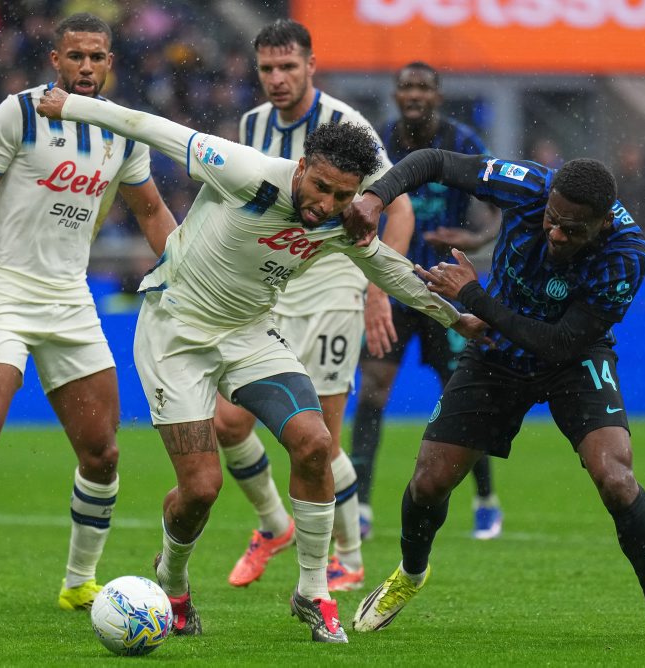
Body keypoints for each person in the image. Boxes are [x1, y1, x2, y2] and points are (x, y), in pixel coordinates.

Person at [35, 86, 487, 644]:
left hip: (250, 334)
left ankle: (314, 592)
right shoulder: (246, 171)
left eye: (342, 195)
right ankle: (172, 579)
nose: (326, 204)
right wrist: (71, 106)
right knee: (201, 489)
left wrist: (457, 319)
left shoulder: (343, 218)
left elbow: (388, 267)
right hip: (175, 333)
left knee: (315, 443)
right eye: (320, 186)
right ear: (301, 168)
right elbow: (151, 127)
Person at [346, 149, 645, 640]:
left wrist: (473, 297)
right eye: (551, 219)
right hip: (496, 352)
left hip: (573, 358)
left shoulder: (626, 255)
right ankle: (410, 574)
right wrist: (375, 196)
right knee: (429, 481)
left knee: (616, 478)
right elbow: (435, 162)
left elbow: (559, 343)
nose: (555, 233)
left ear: (602, 225)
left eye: (572, 230)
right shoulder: (528, 185)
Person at [0, 13, 177, 621]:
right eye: (75, 56)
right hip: (3, 291)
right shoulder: (20, 113)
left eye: (97, 57)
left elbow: (151, 210)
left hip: (70, 299)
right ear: (56, 60)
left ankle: (79, 583)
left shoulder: (122, 130)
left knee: (103, 453)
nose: (86, 66)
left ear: (109, 63)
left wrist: (190, 276)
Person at [214, 18, 414, 594]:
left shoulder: (347, 127)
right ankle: (274, 525)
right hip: (272, 287)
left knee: (320, 438)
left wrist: (378, 289)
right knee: (228, 423)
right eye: (267, 68)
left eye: (288, 67)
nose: (277, 78)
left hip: (331, 287)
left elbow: (399, 210)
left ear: (311, 66)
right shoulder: (253, 124)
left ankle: (347, 558)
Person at [351, 61, 504, 542]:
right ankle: (360, 507)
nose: (414, 94)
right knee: (373, 390)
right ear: (395, 94)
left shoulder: (462, 142)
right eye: (406, 87)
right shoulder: (375, 142)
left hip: (446, 286)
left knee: (462, 393)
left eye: (423, 87)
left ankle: (485, 499)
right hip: (390, 285)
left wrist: (476, 239)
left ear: (438, 96)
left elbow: (502, 204)